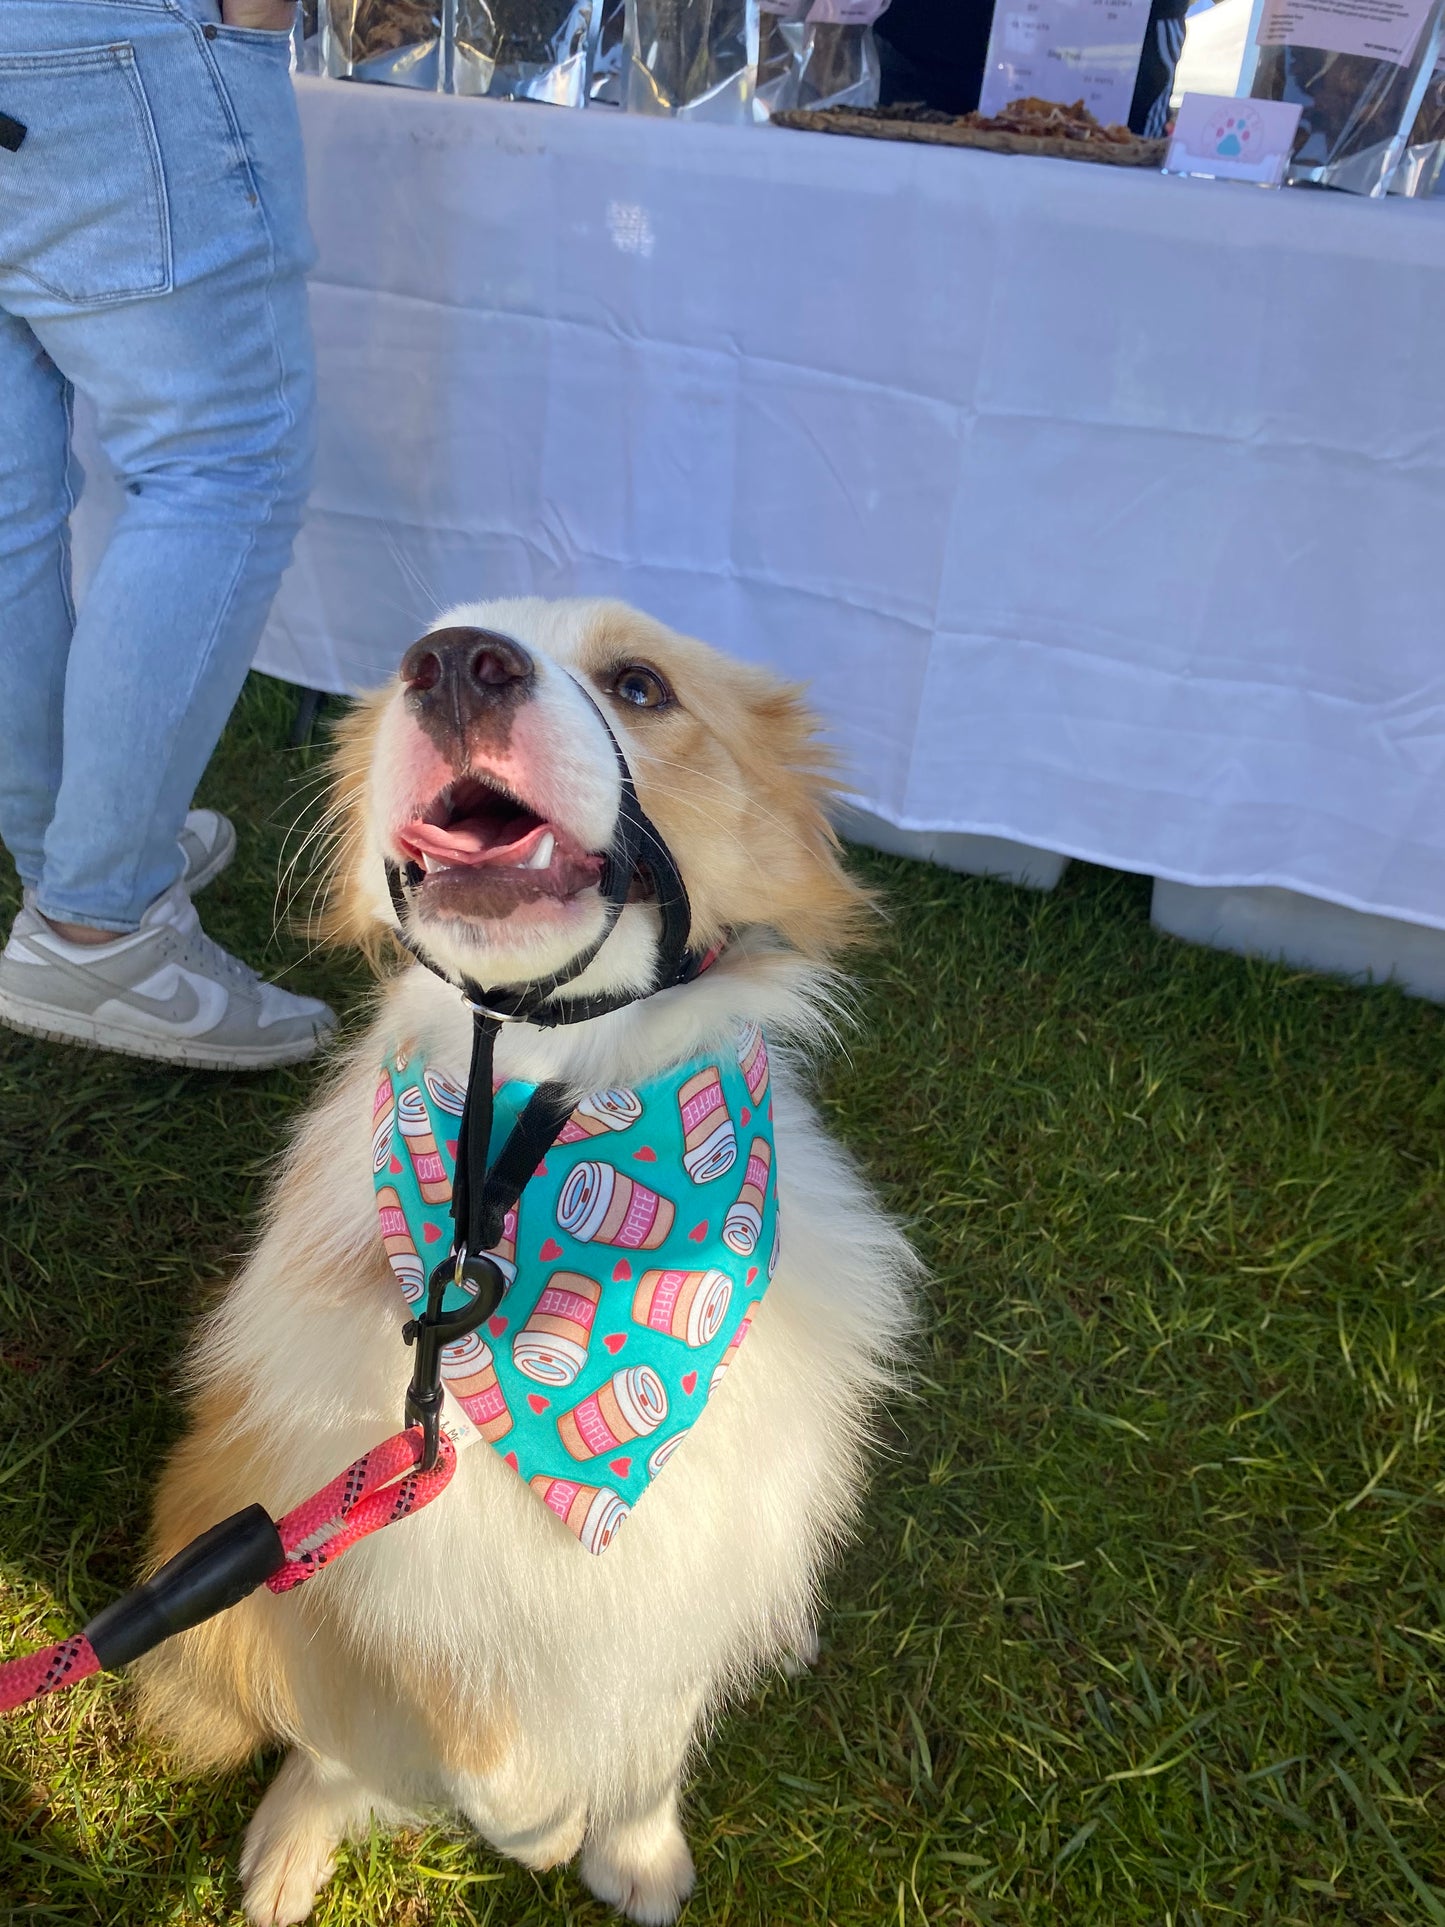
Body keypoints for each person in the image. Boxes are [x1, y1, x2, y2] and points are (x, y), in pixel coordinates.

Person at [0, 0, 334, 1071]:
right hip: (101, 50)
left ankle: (73, 852)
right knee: (221, 468)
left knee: (8, 507)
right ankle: (97, 923)